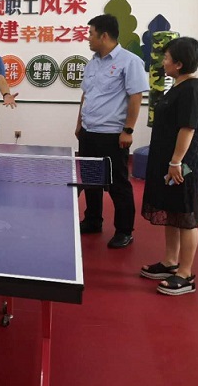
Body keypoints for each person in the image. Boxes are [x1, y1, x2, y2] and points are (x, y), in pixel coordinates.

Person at [139, 37, 198, 295]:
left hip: (183, 166)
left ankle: (185, 274)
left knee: (186, 214)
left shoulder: (192, 91)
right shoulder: (178, 86)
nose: (163, 62)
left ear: (179, 64)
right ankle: (170, 262)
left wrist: (176, 161)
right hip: (170, 164)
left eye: (166, 58)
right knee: (172, 210)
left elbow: (187, 129)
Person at [75, 14, 149, 248]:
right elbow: (86, 94)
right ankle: (93, 220)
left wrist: (128, 130)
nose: (88, 38)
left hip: (112, 134)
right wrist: (79, 123)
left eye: (91, 34)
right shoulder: (92, 63)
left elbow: (136, 97)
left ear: (104, 35)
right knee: (91, 181)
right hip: (89, 132)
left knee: (118, 184)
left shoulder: (130, 61)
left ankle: (124, 231)